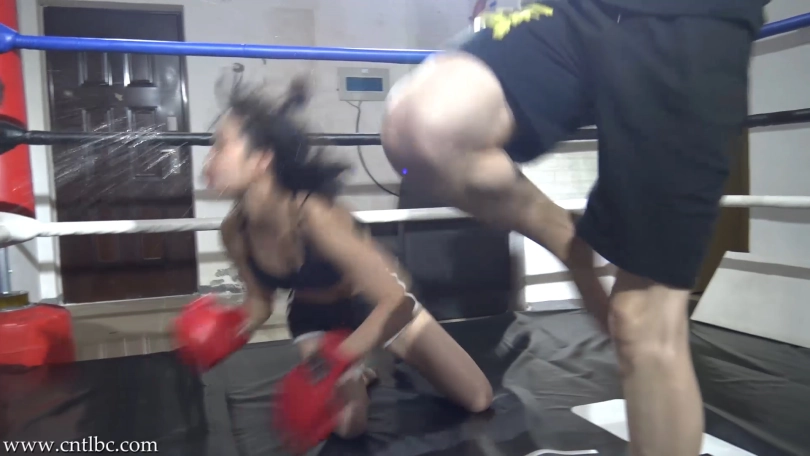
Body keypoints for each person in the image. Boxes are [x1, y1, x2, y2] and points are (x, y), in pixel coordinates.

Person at [380, 1, 768, 455]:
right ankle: (570, 244)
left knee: (641, 320)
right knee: (421, 126)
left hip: (689, 18)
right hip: (580, 9)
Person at [172, 78, 493, 443]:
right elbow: (260, 302)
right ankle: (360, 373)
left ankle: (364, 363)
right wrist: (227, 331)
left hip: (378, 307)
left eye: (220, 146)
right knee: (347, 425)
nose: (209, 159)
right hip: (316, 318)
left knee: (478, 398)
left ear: (261, 159)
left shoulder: (315, 216)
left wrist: (338, 359)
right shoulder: (235, 231)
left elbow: (396, 300)